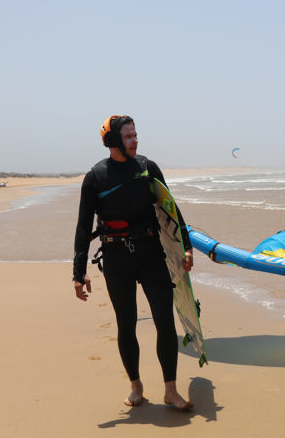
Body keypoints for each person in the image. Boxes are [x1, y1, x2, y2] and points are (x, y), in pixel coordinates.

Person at [72, 115, 194, 410]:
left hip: (151, 252)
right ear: (114, 142)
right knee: (126, 325)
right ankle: (136, 386)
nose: (135, 140)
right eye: (129, 137)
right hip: (116, 258)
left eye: (135, 134)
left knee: (165, 321)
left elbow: (170, 208)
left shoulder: (147, 167)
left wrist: (186, 246)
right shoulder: (96, 177)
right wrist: (79, 272)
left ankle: (171, 391)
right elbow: (82, 226)